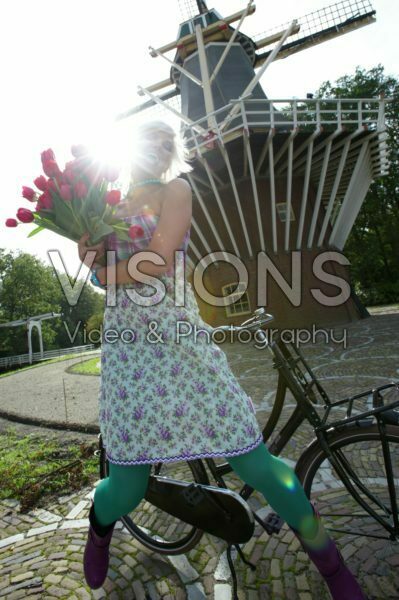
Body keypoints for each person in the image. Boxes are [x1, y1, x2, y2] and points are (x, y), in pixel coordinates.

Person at [78, 120, 365, 599]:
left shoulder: (177, 189)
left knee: (257, 464)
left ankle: (332, 566)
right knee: (126, 485)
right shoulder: (105, 204)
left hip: (184, 344)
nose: (151, 151)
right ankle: (99, 529)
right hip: (130, 356)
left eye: (161, 144)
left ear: (169, 153)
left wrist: (105, 272)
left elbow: (162, 256)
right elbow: (100, 273)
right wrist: (88, 255)